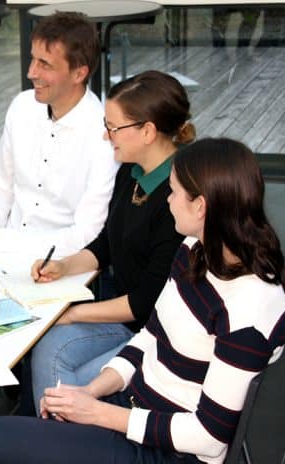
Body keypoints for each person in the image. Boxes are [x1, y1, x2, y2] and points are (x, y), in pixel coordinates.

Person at [0, 137, 285, 464]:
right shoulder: (194, 250)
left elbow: (209, 438)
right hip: (133, 412)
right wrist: (91, 390)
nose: (167, 199)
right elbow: (149, 338)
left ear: (201, 207)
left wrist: (96, 413)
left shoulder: (250, 308)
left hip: (166, 452)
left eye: (175, 192)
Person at [29, 71, 195, 411]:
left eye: (113, 128)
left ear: (147, 131)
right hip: (127, 321)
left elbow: (144, 303)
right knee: (50, 352)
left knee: (61, 367)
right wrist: (64, 265)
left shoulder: (180, 201)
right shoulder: (131, 172)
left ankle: (59, 440)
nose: (107, 137)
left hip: (156, 333)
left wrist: (71, 314)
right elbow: (106, 244)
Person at [0, 12, 117, 256]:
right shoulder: (22, 106)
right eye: (33, 59)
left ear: (79, 73)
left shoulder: (104, 133)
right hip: (0, 253)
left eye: (44, 64)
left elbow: (86, 233)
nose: (31, 72)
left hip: (59, 264)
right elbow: (0, 186)